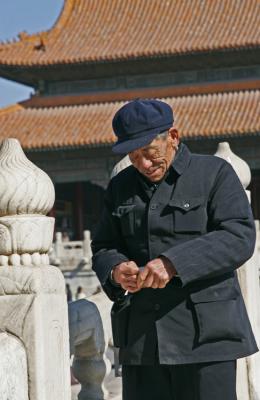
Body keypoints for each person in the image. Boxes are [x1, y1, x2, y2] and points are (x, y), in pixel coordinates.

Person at [91, 99, 258, 400]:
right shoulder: (120, 187)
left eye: (149, 152)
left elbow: (239, 236)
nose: (142, 163)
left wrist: (173, 263)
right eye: (133, 155)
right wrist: (116, 270)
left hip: (206, 338)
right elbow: (104, 245)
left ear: (173, 137)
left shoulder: (214, 174)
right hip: (142, 340)